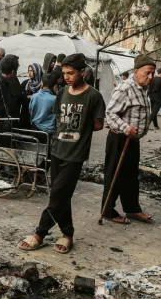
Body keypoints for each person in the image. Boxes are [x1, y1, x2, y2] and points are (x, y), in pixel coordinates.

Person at [18, 53, 106, 254]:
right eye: (65, 73)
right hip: (57, 150)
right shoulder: (62, 93)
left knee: (59, 193)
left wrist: (82, 127)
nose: (66, 77)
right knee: (60, 195)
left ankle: (39, 233)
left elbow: (99, 124)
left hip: (75, 154)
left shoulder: (93, 96)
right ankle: (67, 234)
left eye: (71, 73)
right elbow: (58, 119)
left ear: (82, 72)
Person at [101, 54, 156, 224]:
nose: (151, 77)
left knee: (131, 176)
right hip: (119, 139)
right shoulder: (125, 88)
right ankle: (108, 212)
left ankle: (132, 209)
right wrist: (126, 127)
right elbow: (109, 113)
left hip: (132, 140)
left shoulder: (143, 89)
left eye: (152, 73)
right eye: (147, 73)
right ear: (136, 71)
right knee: (114, 176)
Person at [20, 62, 44, 129]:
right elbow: (20, 97)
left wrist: (31, 97)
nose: (29, 73)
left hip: (38, 114)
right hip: (26, 113)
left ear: (37, 71)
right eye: (29, 71)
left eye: (32, 70)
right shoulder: (25, 83)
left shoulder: (43, 84)